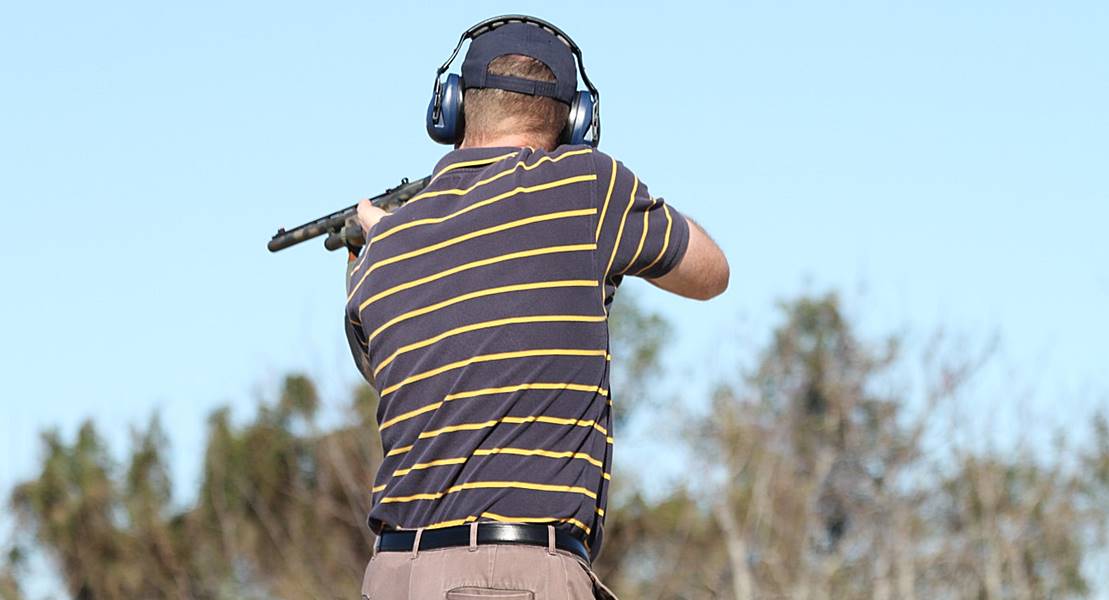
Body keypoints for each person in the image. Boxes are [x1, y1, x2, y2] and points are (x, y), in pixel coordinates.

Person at [345, 15, 728, 600]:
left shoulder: (383, 248)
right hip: (518, 575)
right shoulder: (588, 188)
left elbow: (400, 379)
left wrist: (371, 245)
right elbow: (710, 273)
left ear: (450, 108)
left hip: (391, 577)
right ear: (576, 121)